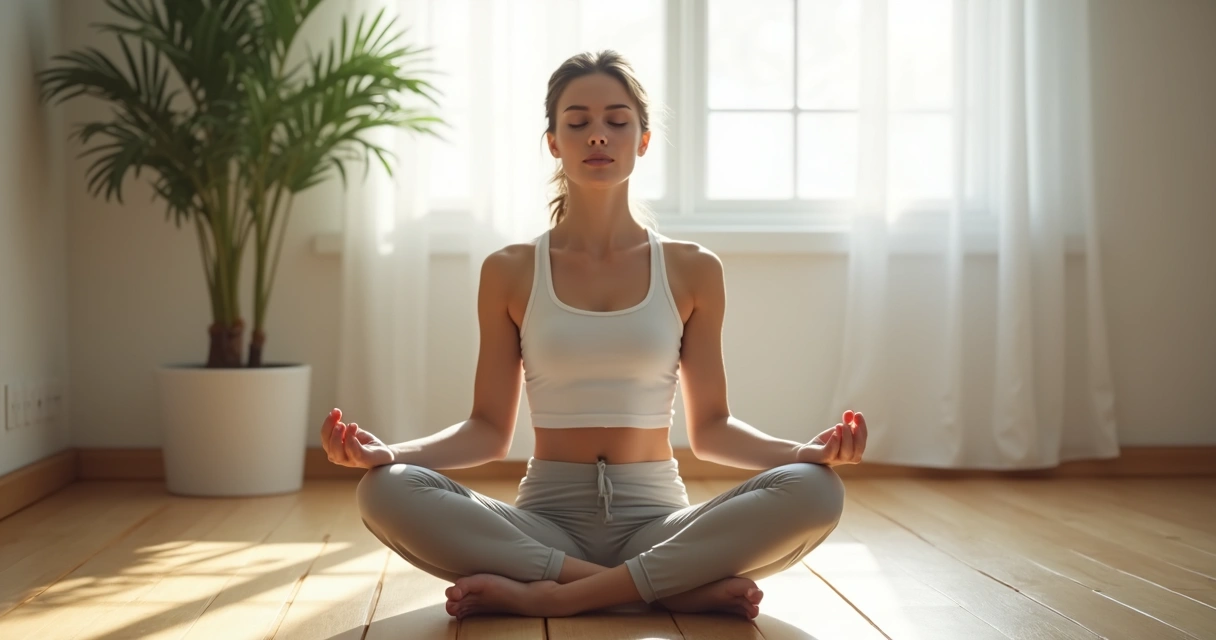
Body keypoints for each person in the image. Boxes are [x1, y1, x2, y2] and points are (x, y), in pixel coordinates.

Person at [319, 50, 867, 621]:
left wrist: (803, 453)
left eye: (617, 121)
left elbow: (712, 430)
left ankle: (560, 598)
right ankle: (662, 591)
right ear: (554, 141)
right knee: (384, 489)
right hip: (544, 530)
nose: (598, 136)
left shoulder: (693, 268)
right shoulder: (509, 269)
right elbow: (486, 431)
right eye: (577, 122)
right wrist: (389, 454)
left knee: (817, 488)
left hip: (657, 526)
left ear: (644, 140)